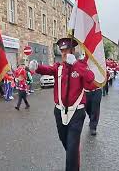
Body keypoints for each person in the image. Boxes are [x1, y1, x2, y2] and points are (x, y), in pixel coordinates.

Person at [29, 37, 94, 171]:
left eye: (67, 50)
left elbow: (90, 79)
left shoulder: (81, 66)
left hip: (76, 112)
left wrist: (75, 64)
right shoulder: (58, 68)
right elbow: (46, 69)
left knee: (71, 148)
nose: (64, 54)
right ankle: (74, 156)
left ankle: (73, 162)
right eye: (62, 51)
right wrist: (36, 67)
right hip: (59, 111)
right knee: (66, 142)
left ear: (73, 51)